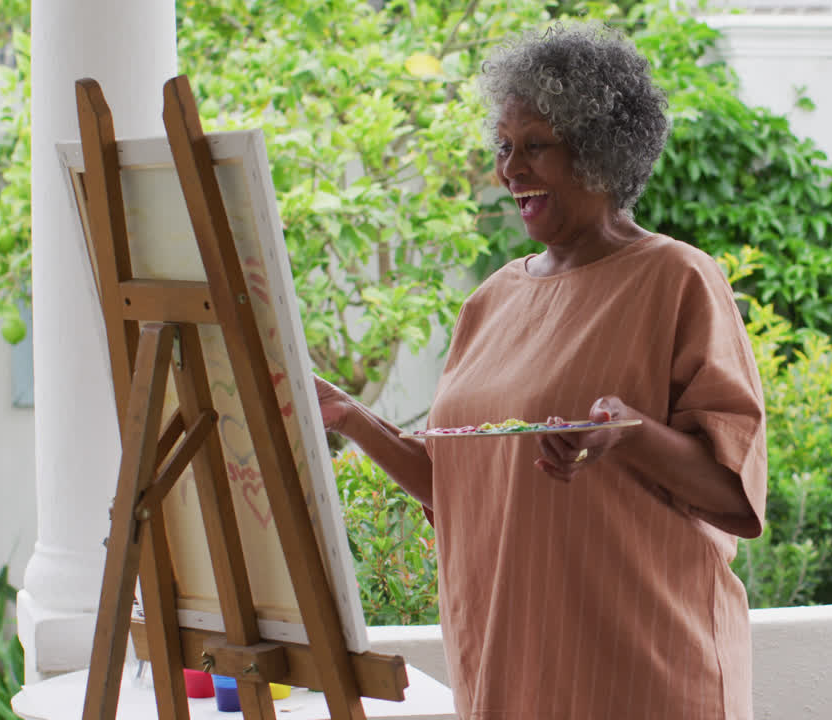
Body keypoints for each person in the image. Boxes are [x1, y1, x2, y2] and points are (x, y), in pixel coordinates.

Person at [315, 22, 767, 719]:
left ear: (597, 150)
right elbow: (460, 484)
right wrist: (349, 417)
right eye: (503, 147)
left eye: (534, 146)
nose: (510, 170)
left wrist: (630, 434)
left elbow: (736, 497)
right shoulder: (490, 301)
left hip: (639, 677)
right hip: (508, 673)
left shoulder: (675, 278)